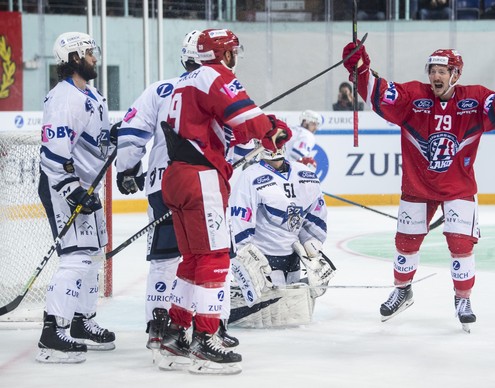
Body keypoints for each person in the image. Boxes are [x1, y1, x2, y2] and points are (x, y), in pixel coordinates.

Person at [341, 43, 495, 332]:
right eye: (433, 71)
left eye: (442, 71)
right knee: (406, 242)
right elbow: (379, 95)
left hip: (457, 187)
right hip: (417, 185)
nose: (436, 76)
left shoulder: (475, 99)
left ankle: (462, 299)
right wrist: (361, 70)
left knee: (460, 244)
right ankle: (403, 290)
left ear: (456, 74)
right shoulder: (413, 96)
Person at [159, 27, 292, 375]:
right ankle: (205, 340)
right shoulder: (217, 75)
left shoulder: (185, 81)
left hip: (177, 175)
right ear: (225, 54)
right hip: (200, 178)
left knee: (193, 259)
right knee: (216, 257)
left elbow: (226, 126)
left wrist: (266, 126)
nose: (235, 58)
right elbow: (245, 119)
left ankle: (175, 334)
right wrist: (270, 131)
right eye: (233, 51)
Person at [115, 29, 238, 356]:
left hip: (162, 185)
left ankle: (160, 328)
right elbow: (237, 139)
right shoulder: (217, 87)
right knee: (212, 254)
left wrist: (127, 169)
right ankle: (214, 325)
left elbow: (131, 131)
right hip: (204, 184)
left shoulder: (160, 89)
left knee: (166, 258)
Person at [36, 32, 117, 363]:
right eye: (87, 53)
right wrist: (73, 190)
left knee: (94, 255)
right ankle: (51, 333)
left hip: (86, 187)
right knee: (76, 257)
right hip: (65, 188)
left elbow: (99, 142)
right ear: (72, 59)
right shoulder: (63, 98)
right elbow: (53, 153)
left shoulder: (92, 94)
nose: (94, 58)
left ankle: (83, 321)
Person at [228, 147, 333, 328]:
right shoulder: (251, 176)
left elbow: (314, 215)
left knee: (289, 316)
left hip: (293, 256)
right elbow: (240, 218)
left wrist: (312, 244)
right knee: (266, 319)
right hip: (262, 259)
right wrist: (245, 259)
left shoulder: (304, 174)